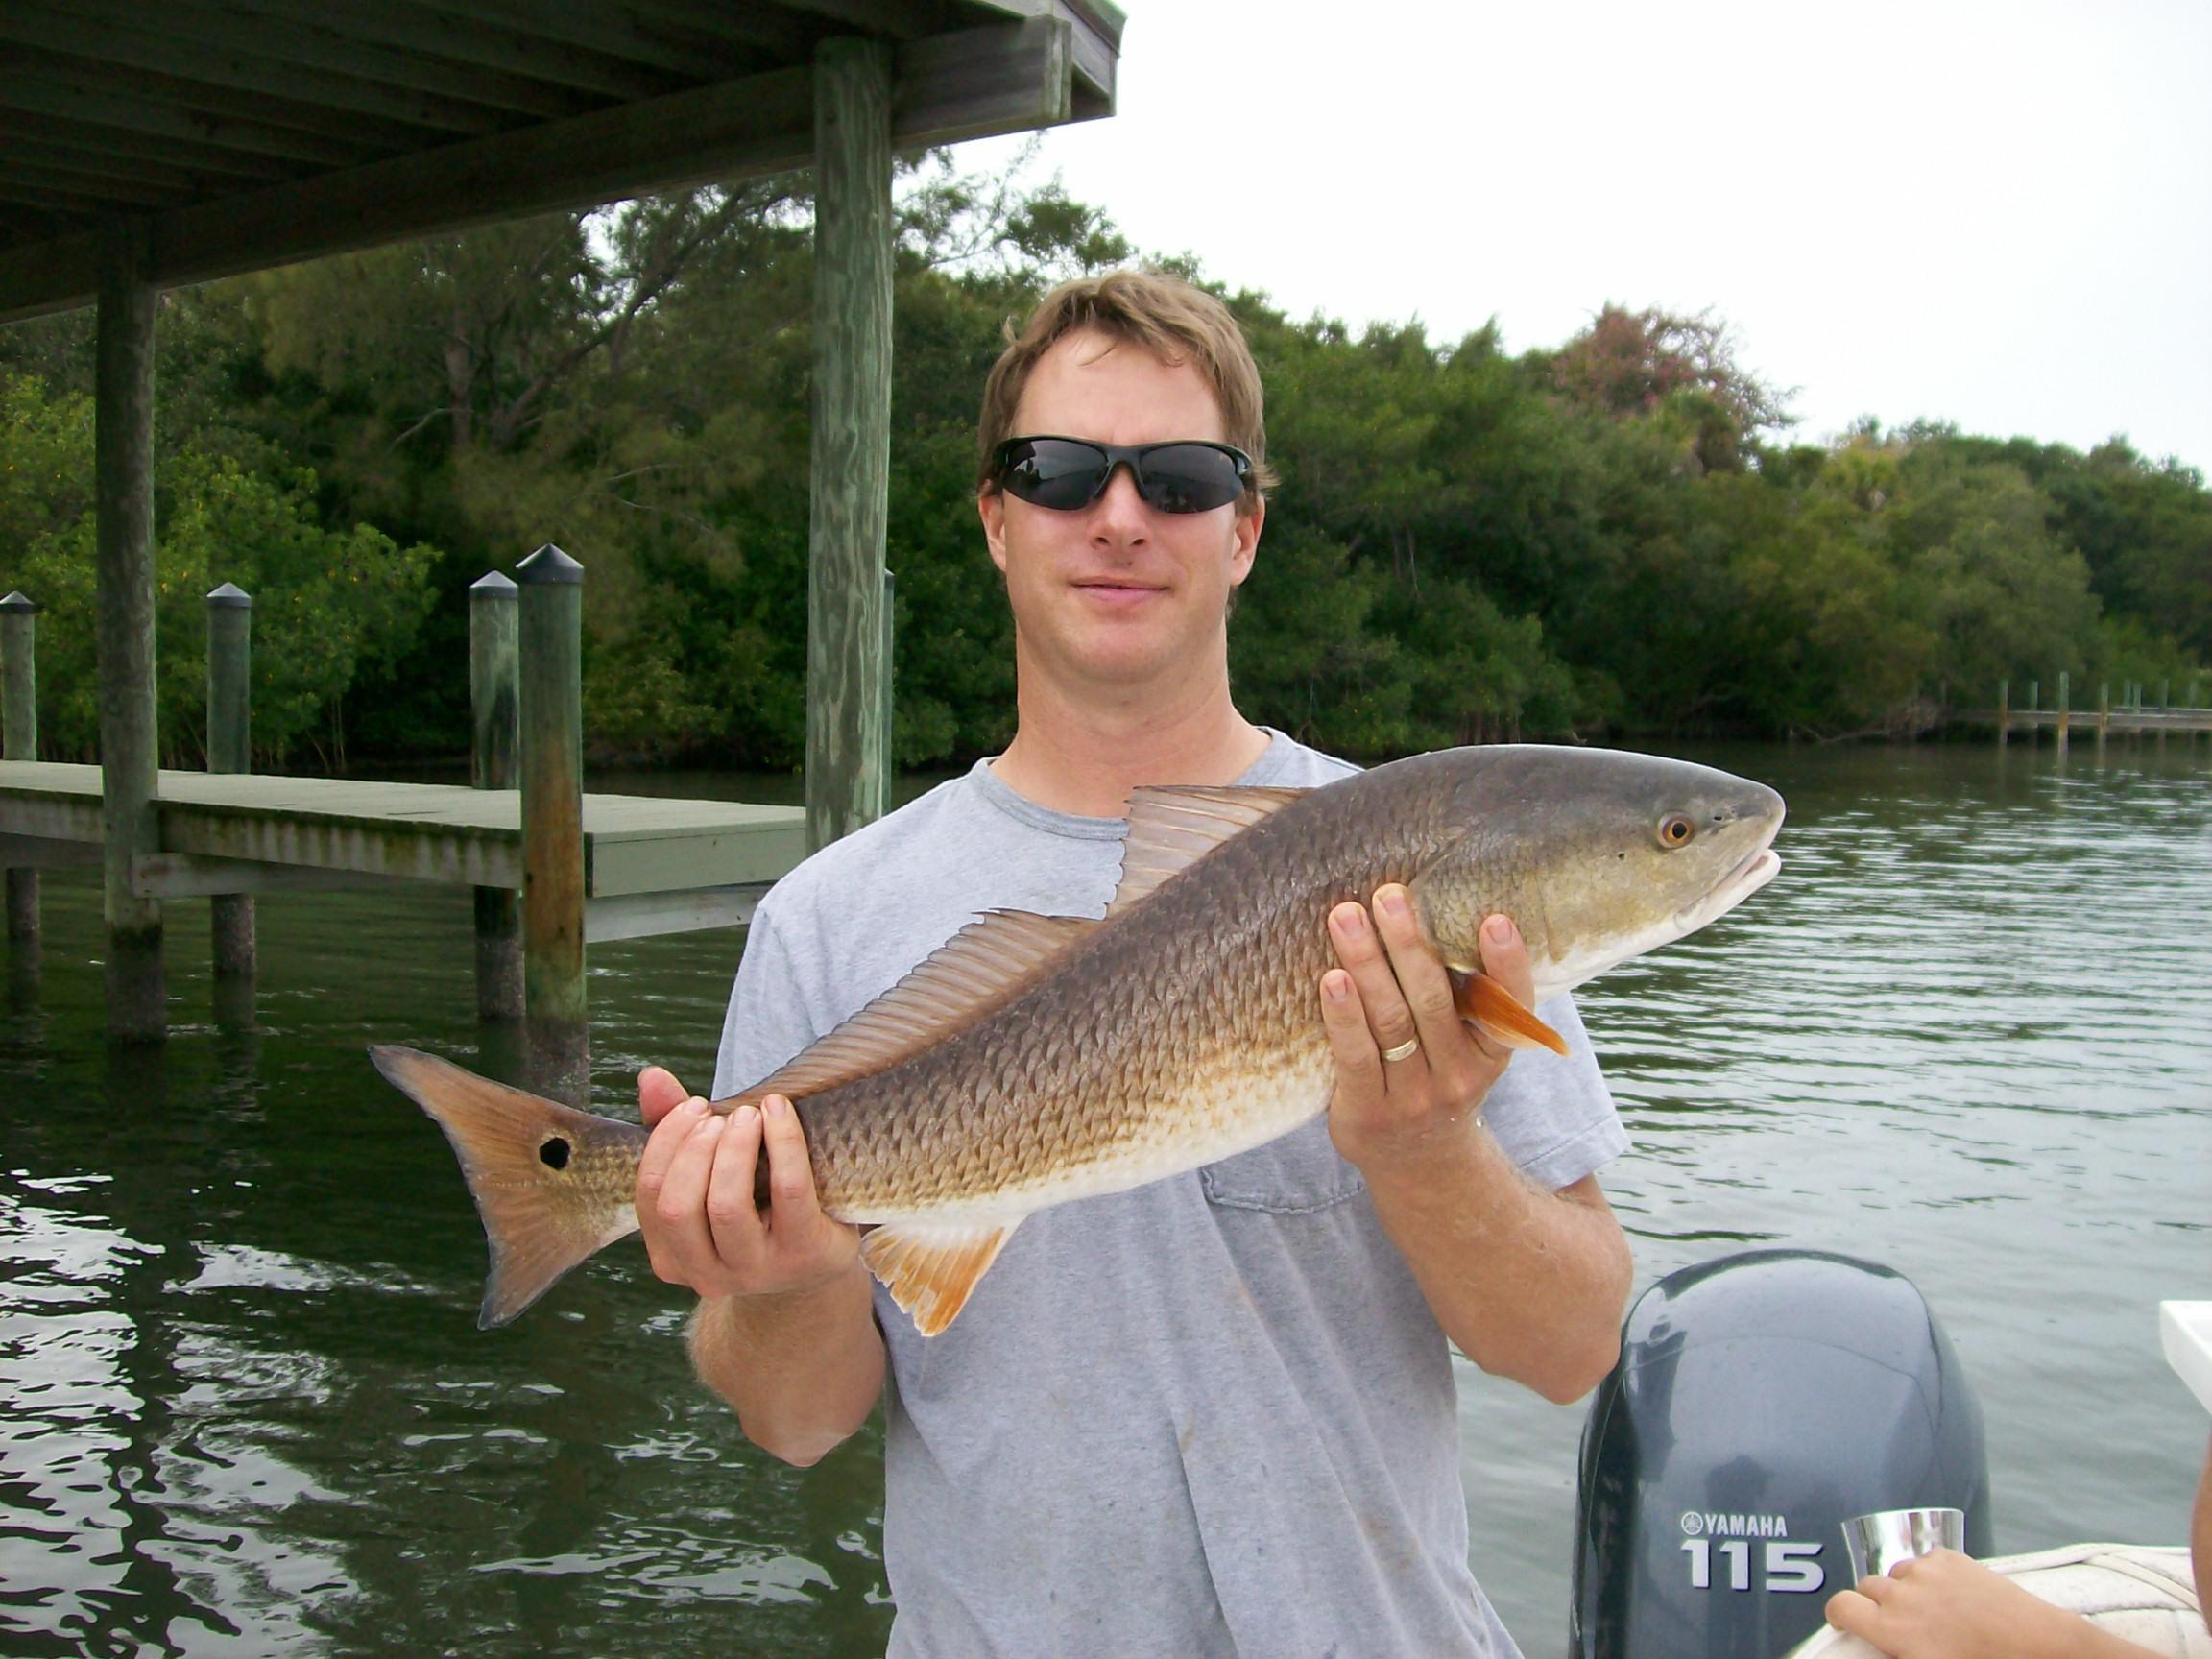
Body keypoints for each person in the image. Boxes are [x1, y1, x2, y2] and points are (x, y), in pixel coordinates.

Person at [630, 269, 1634, 1657]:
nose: (1118, 517)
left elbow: (1574, 1346)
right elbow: (795, 1424)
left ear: (1246, 529)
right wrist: (789, 1273)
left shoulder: (1419, 872)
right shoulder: (828, 918)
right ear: (994, 515)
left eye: (1178, 477)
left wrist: (1426, 1148)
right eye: (1057, 472)